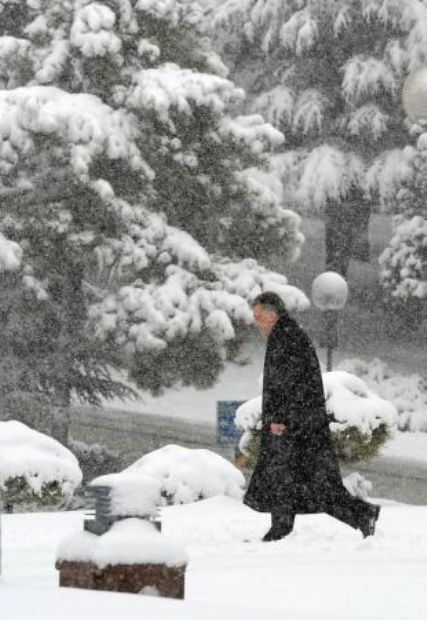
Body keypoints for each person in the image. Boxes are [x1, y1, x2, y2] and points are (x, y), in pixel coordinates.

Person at [244, 291, 381, 542]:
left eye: (258, 316)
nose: (255, 321)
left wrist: (279, 417)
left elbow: (288, 383)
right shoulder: (286, 335)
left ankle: (361, 515)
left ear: (272, 315)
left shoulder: (286, 338)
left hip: (295, 427)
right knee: (289, 479)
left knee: (308, 483)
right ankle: (282, 526)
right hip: (300, 424)